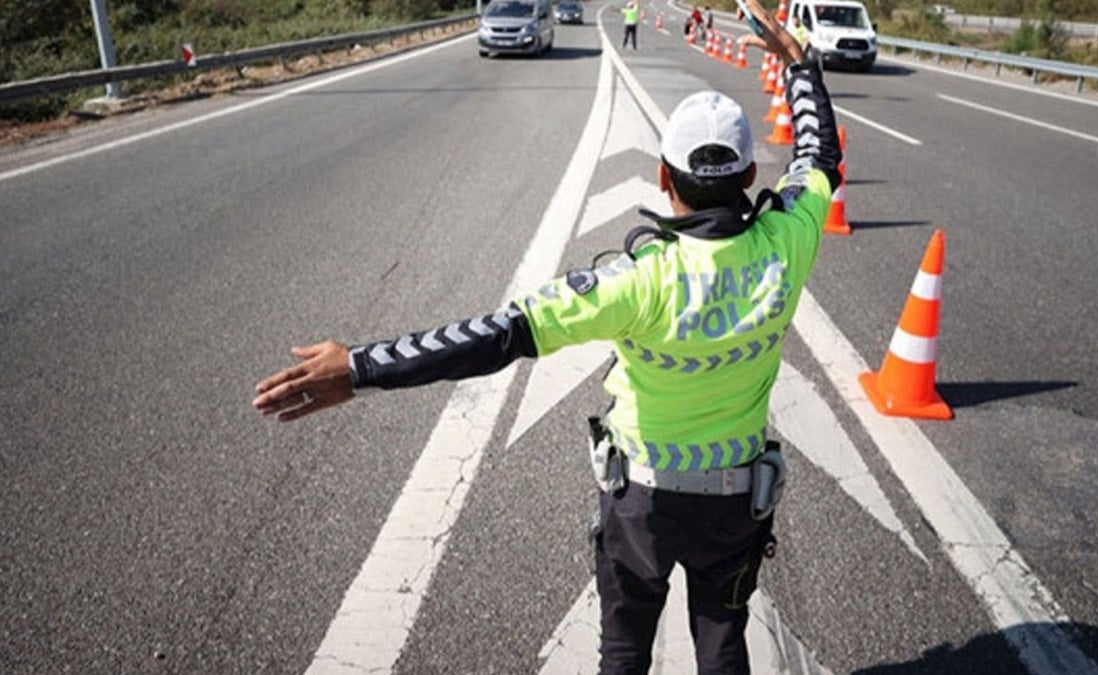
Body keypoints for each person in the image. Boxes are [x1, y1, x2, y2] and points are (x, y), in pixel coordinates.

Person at [251, 0, 840, 670]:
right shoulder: (788, 241)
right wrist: (800, 69)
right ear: (749, 177)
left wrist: (359, 366)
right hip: (736, 504)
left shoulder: (634, 281)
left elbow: (495, 336)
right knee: (724, 645)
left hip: (641, 504)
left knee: (622, 651)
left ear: (662, 178)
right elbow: (819, 155)